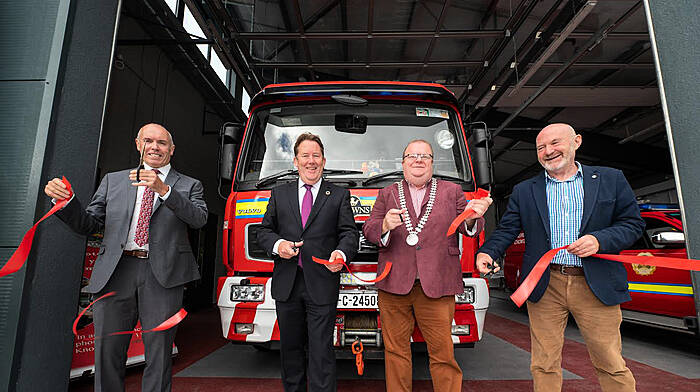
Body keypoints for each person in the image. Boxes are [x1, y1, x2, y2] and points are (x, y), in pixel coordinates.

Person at [476, 123, 644, 392]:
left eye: (555, 143)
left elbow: (633, 224)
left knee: (609, 361)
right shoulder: (525, 190)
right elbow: (507, 229)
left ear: (576, 141)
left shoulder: (611, 179)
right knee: (543, 363)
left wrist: (600, 240)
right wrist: (488, 251)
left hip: (595, 283)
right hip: (546, 284)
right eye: (541, 147)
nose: (548, 151)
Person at [44, 123, 207, 392]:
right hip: (116, 272)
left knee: (160, 351)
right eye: (148, 141)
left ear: (172, 149)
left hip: (164, 275)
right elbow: (90, 224)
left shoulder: (189, 185)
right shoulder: (114, 180)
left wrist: (164, 190)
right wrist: (66, 202)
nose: (155, 147)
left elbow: (199, 219)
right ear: (137, 144)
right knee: (108, 351)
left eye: (162, 143)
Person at [362, 139, 492, 392]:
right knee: (396, 352)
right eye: (412, 156)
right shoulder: (387, 193)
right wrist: (385, 226)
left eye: (425, 156)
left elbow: (468, 229)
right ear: (403, 163)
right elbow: (369, 229)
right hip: (394, 285)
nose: (418, 160)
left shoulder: (452, 191)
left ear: (433, 162)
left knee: (443, 353)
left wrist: (474, 217)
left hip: (438, 284)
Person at [256, 132, 358, 392]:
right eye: (305, 156)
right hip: (287, 284)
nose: (310, 161)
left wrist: (341, 254)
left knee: (321, 350)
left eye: (316, 156)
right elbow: (264, 231)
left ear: (324, 161)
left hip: (322, 282)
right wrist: (279, 246)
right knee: (290, 349)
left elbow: (349, 233)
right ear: (295, 161)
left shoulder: (337, 195)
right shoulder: (279, 194)